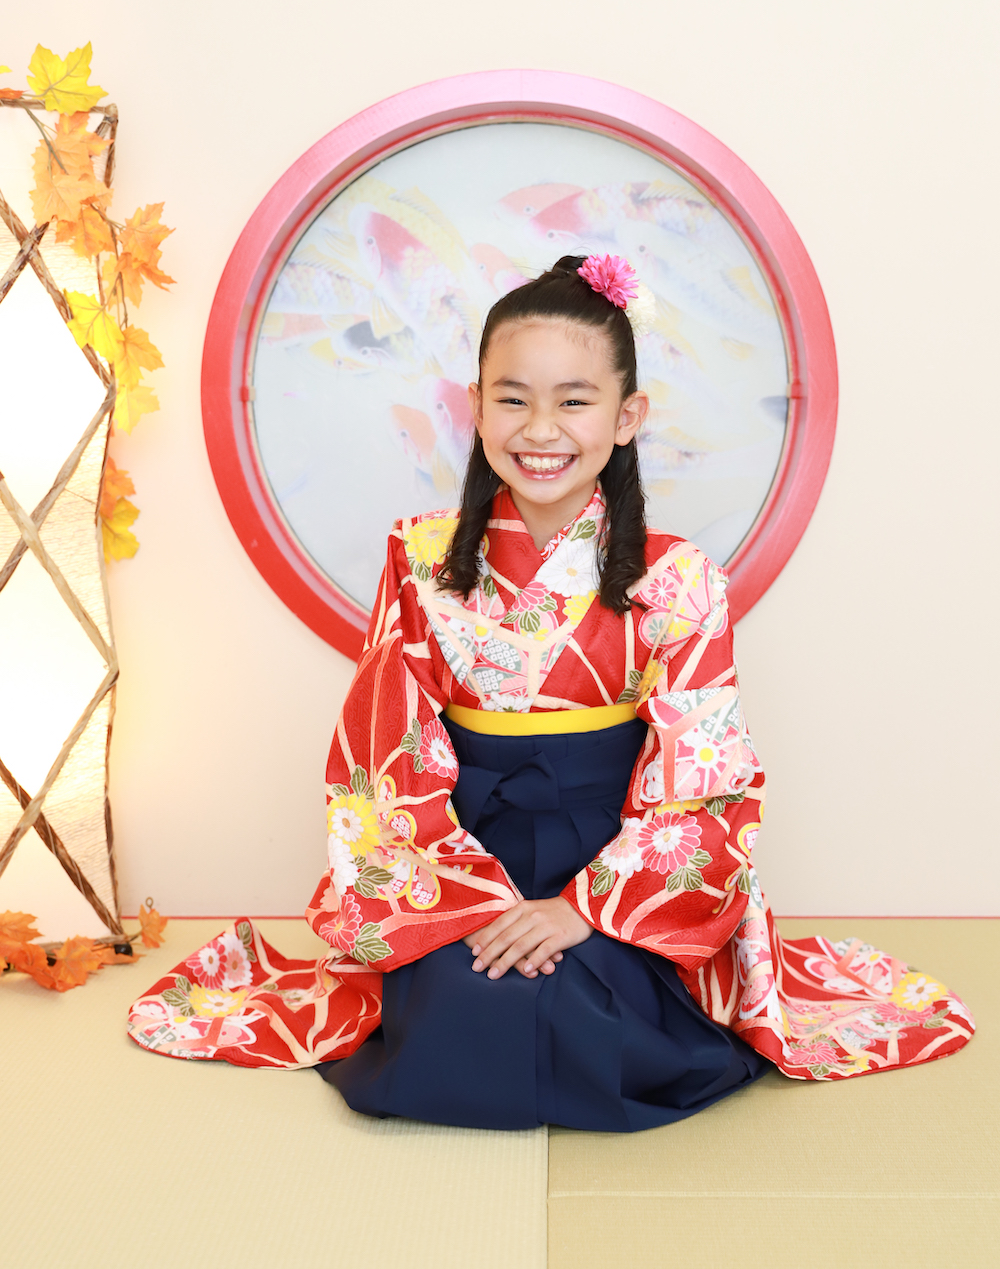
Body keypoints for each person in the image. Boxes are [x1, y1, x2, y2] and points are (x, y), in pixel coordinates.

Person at [128, 254, 974, 1124]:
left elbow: (704, 780)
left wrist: (582, 910)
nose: (541, 430)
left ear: (627, 416)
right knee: (464, 1008)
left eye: (574, 401)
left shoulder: (678, 579)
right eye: (513, 399)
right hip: (459, 865)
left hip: (616, 866)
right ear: (475, 405)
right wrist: (473, 901)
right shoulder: (419, 561)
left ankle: (601, 967)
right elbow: (380, 764)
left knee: (594, 1015)